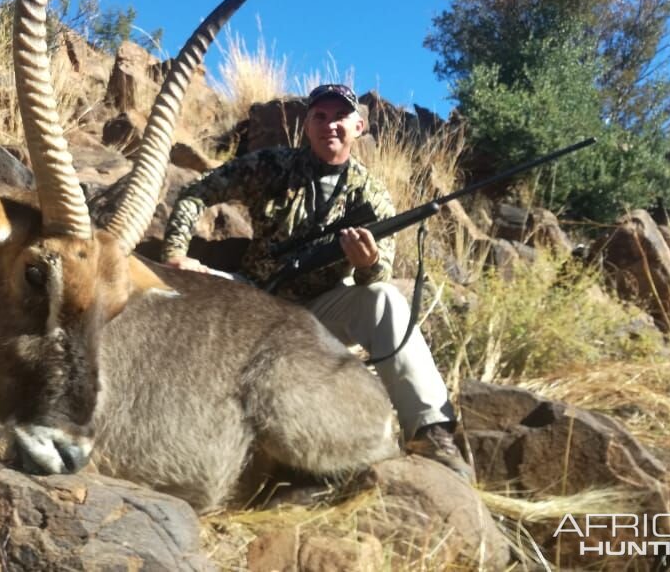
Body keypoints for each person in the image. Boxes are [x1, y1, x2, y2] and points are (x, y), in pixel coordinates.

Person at [160, 83, 472, 480]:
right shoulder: (271, 166)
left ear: (358, 127)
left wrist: (368, 263)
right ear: (307, 125)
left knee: (385, 299)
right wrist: (175, 254)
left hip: (318, 316)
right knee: (187, 287)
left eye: (340, 117)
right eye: (319, 117)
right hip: (252, 300)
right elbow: (195, 194)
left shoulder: (371, 195)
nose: (330, 126)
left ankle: (432, 434)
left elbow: (378, 274)